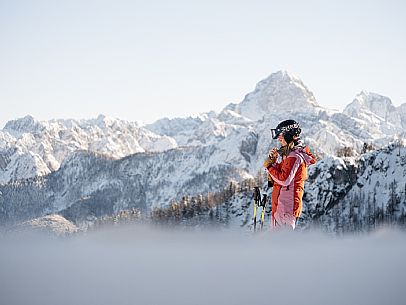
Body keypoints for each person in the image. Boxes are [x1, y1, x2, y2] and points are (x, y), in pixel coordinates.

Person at [263, 120, 316, 230]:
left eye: (281, 135)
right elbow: (283, 174)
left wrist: (269, 167)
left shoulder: (294, 156)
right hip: (282, 206)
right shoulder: (289, 155)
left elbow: (284, 180)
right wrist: (273, 162)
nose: (279, 138)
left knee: (280, 244)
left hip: (286, 208)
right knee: (276, 244)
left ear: (289, 135)